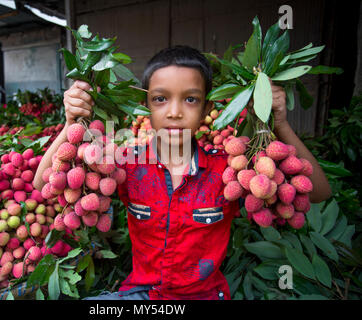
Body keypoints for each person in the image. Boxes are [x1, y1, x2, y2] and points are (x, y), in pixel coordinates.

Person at [33, 45, 332, 300]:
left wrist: (279, 124)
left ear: (207, 109)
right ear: (145, 107)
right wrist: (70, 123)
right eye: (160, 99)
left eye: (190, 99)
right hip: (143, 294)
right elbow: (41, 184)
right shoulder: (125, 163)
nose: (174, 111)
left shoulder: (229, 168)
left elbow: (319, 193)